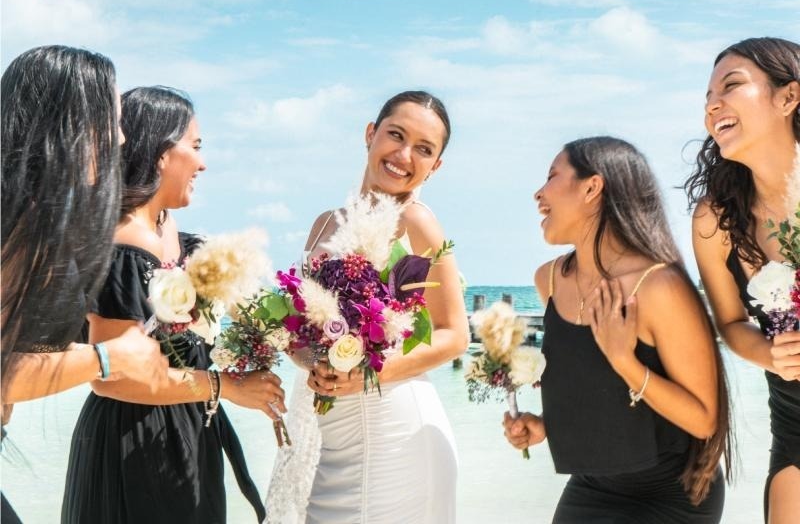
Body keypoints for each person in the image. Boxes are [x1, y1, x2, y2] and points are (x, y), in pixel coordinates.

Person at [61, 86, 286, 524]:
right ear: (162, 153)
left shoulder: (169, 227)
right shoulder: (123, 241)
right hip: (135, 441)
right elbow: (111, 380)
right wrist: (226, 387)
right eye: (195, 147)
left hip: (185, 429)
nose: (202, 163)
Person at [266, 91, 469, 524]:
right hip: (331, 432)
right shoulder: (323, 223)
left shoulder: (418, 223)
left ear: (436, 166)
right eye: (396, 135)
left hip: (397, 431)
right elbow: (297, 328)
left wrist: (369, 374)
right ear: (370, 134)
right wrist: (311, 361)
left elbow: (455, 335)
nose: (404, 155)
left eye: (424, 149)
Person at [505, 137, 731, 523]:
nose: (538, 194)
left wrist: (624, 361)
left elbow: (703, 419)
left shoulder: (660, 287)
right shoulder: (551, 280)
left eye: (551, 177)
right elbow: (595, 391)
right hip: (592, 485)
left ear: (592, 187)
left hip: (672, 492)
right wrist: (547, 427)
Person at [1, 46, 168, 522]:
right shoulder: (22, 229)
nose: (119, 140)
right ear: (69, 124)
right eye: (110, 121)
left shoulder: (24, 213)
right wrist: (108, 357)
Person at [685, 37, 800, 524]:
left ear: (788, 97)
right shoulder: (715, 220)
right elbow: (730, 323)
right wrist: (770, 354)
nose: (714, 104)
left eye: (731, 86)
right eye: (709, 96)